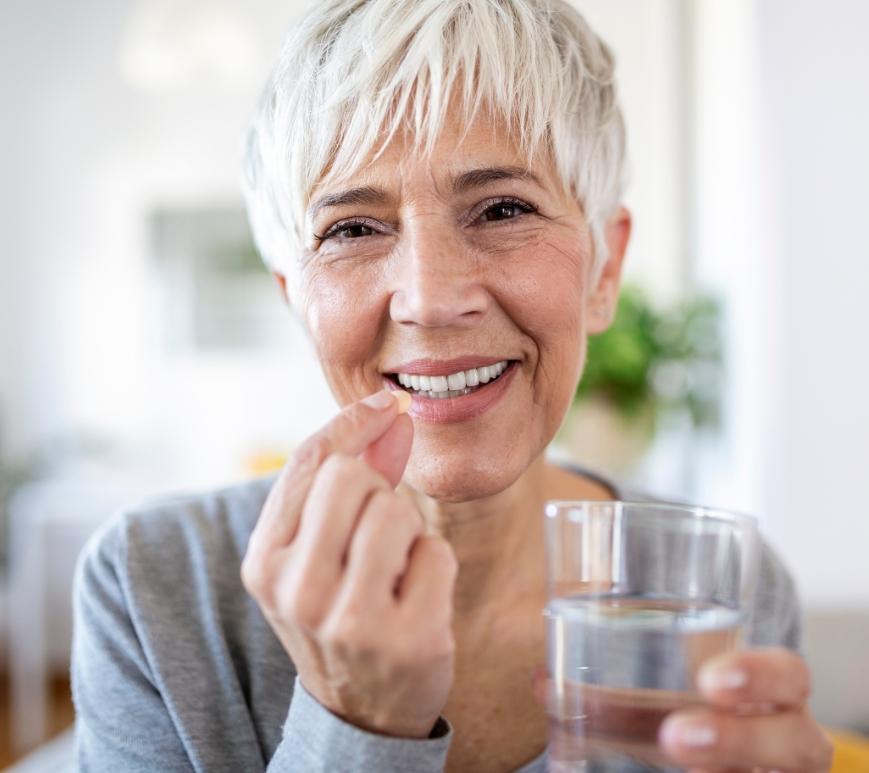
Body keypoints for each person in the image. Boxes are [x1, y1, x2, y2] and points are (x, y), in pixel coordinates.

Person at [71, 1, 833, 771]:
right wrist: (356, 723)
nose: (429, 297)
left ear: (604, 270)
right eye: (352, 229)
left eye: (503, 209)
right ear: (294, 297)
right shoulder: (151, 584)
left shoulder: (716, 582)